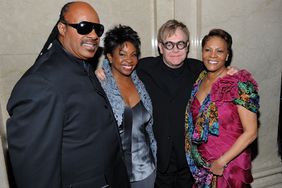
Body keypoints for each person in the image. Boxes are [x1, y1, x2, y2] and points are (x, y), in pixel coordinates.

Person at [6, 2, 129, 188]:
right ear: (62, 28)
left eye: (98, 29)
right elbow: (35, 174)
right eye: (84, 27)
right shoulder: (41, 83)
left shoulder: (80, 63)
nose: (94, 35)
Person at [184, 29, 259, 187]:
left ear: (227, 55)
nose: (212, 55)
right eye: (208, 50)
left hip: (230, 165)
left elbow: (251, 132)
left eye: (219, 51)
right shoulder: (199, 80)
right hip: (203, 163)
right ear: (202, 52)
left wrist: (221, 162)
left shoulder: (240, 84)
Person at [99, 24, 157, 188]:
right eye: (122, 54)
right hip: (113, 175)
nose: (129, 60)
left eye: (133, 54)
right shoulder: (100, 87)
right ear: (110, 56)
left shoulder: (141, 83)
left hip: (146, 172)